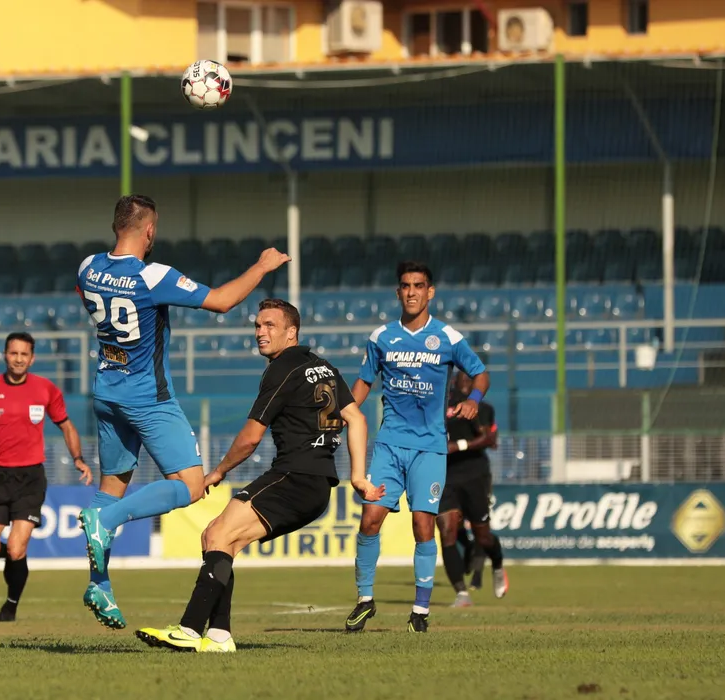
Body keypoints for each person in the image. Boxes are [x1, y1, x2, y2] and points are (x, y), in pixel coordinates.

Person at [74, 194, 290, 629]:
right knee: (191, 486)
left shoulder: (88, 267)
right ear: (150, 230)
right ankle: (106, 520)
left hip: (106, 391)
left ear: (116, 225)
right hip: (147, 398)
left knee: (112, 485)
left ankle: (100, 584)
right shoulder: (152, 275)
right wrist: (262, 267)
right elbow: (222, 301)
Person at [135, 298, 383, 652]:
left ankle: (189, 630)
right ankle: (219, 636)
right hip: (315, 485)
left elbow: (251, 438)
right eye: (257, 325)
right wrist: (357, 477)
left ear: (291, 332)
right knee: (217, 538)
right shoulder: (323, 367)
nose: (260, 332)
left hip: (293, 477)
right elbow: (356, 418)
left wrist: (218, 471)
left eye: (270, 325)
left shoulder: (283, 369)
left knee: (218, 534)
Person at [344, 261, 490, 634]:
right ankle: (364, 600)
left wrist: (473, 399)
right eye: (406, 286)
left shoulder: (447, 337)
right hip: (390, 445)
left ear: (430, 292)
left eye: (419, 285)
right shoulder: (381, 337)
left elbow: (480, 373)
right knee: (370, 519)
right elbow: (363, 382)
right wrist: (344, 413)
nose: (412, 292)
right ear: (398, 292)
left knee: (423, 524)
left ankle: (420, 611)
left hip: (429, 448)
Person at [0, 331, 93, 622]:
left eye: (24, 354)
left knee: (16, 546)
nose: (19, 359)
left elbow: (66, 426)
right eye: (14, 353)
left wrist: (78, 459)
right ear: (5, 355)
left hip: (30, 478)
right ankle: (14, 557)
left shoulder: (45, 389)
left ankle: (10, 605)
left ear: (32, 358)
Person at [437, 371, 508, 606]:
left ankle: (497, 564)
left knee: (483, 536)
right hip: (445, 476)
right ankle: (461, 593)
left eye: (471, 380)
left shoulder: (483, 408)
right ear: (454, 381)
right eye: (463, 380)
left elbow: (489, 439)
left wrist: (458, 445)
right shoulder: (440, 407)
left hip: (475, 475)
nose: (466, 384)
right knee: (447, 531)